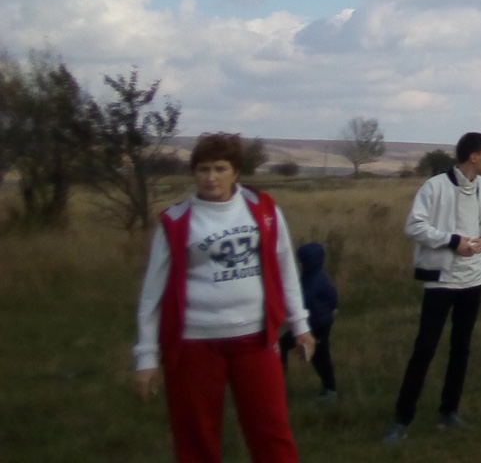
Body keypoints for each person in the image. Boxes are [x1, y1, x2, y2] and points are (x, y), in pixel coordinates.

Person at [134, 132, 314, 463]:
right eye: (203, 169)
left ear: (236, 172)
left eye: (220, 168)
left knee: (271, 431)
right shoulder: (176, 221)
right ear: (193, 172)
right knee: (196, 437)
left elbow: (285, 267)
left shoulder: (263, 210)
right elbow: (151, 295)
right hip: (194, 344)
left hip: (256, 339)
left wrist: (300, 324)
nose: (211, 177)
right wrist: (146, 356)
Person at [383, 132, 481, 445]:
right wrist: (453, 241)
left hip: (474, 280)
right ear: (473, 156)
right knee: (425, 349)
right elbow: (414, 226)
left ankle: (449, 411)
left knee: (461, 348)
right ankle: (402, 419)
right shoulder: (435, 186)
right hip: (441, 280)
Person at [279, 242, 339, 398]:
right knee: (316, 354)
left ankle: (330, 390)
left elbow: (299, 303)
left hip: (315, 326)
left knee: (320, 356)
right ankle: (328, 388)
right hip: (321, 323)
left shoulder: (308, 283)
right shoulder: (321, 278)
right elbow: (333, 297)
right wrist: (332, 309)